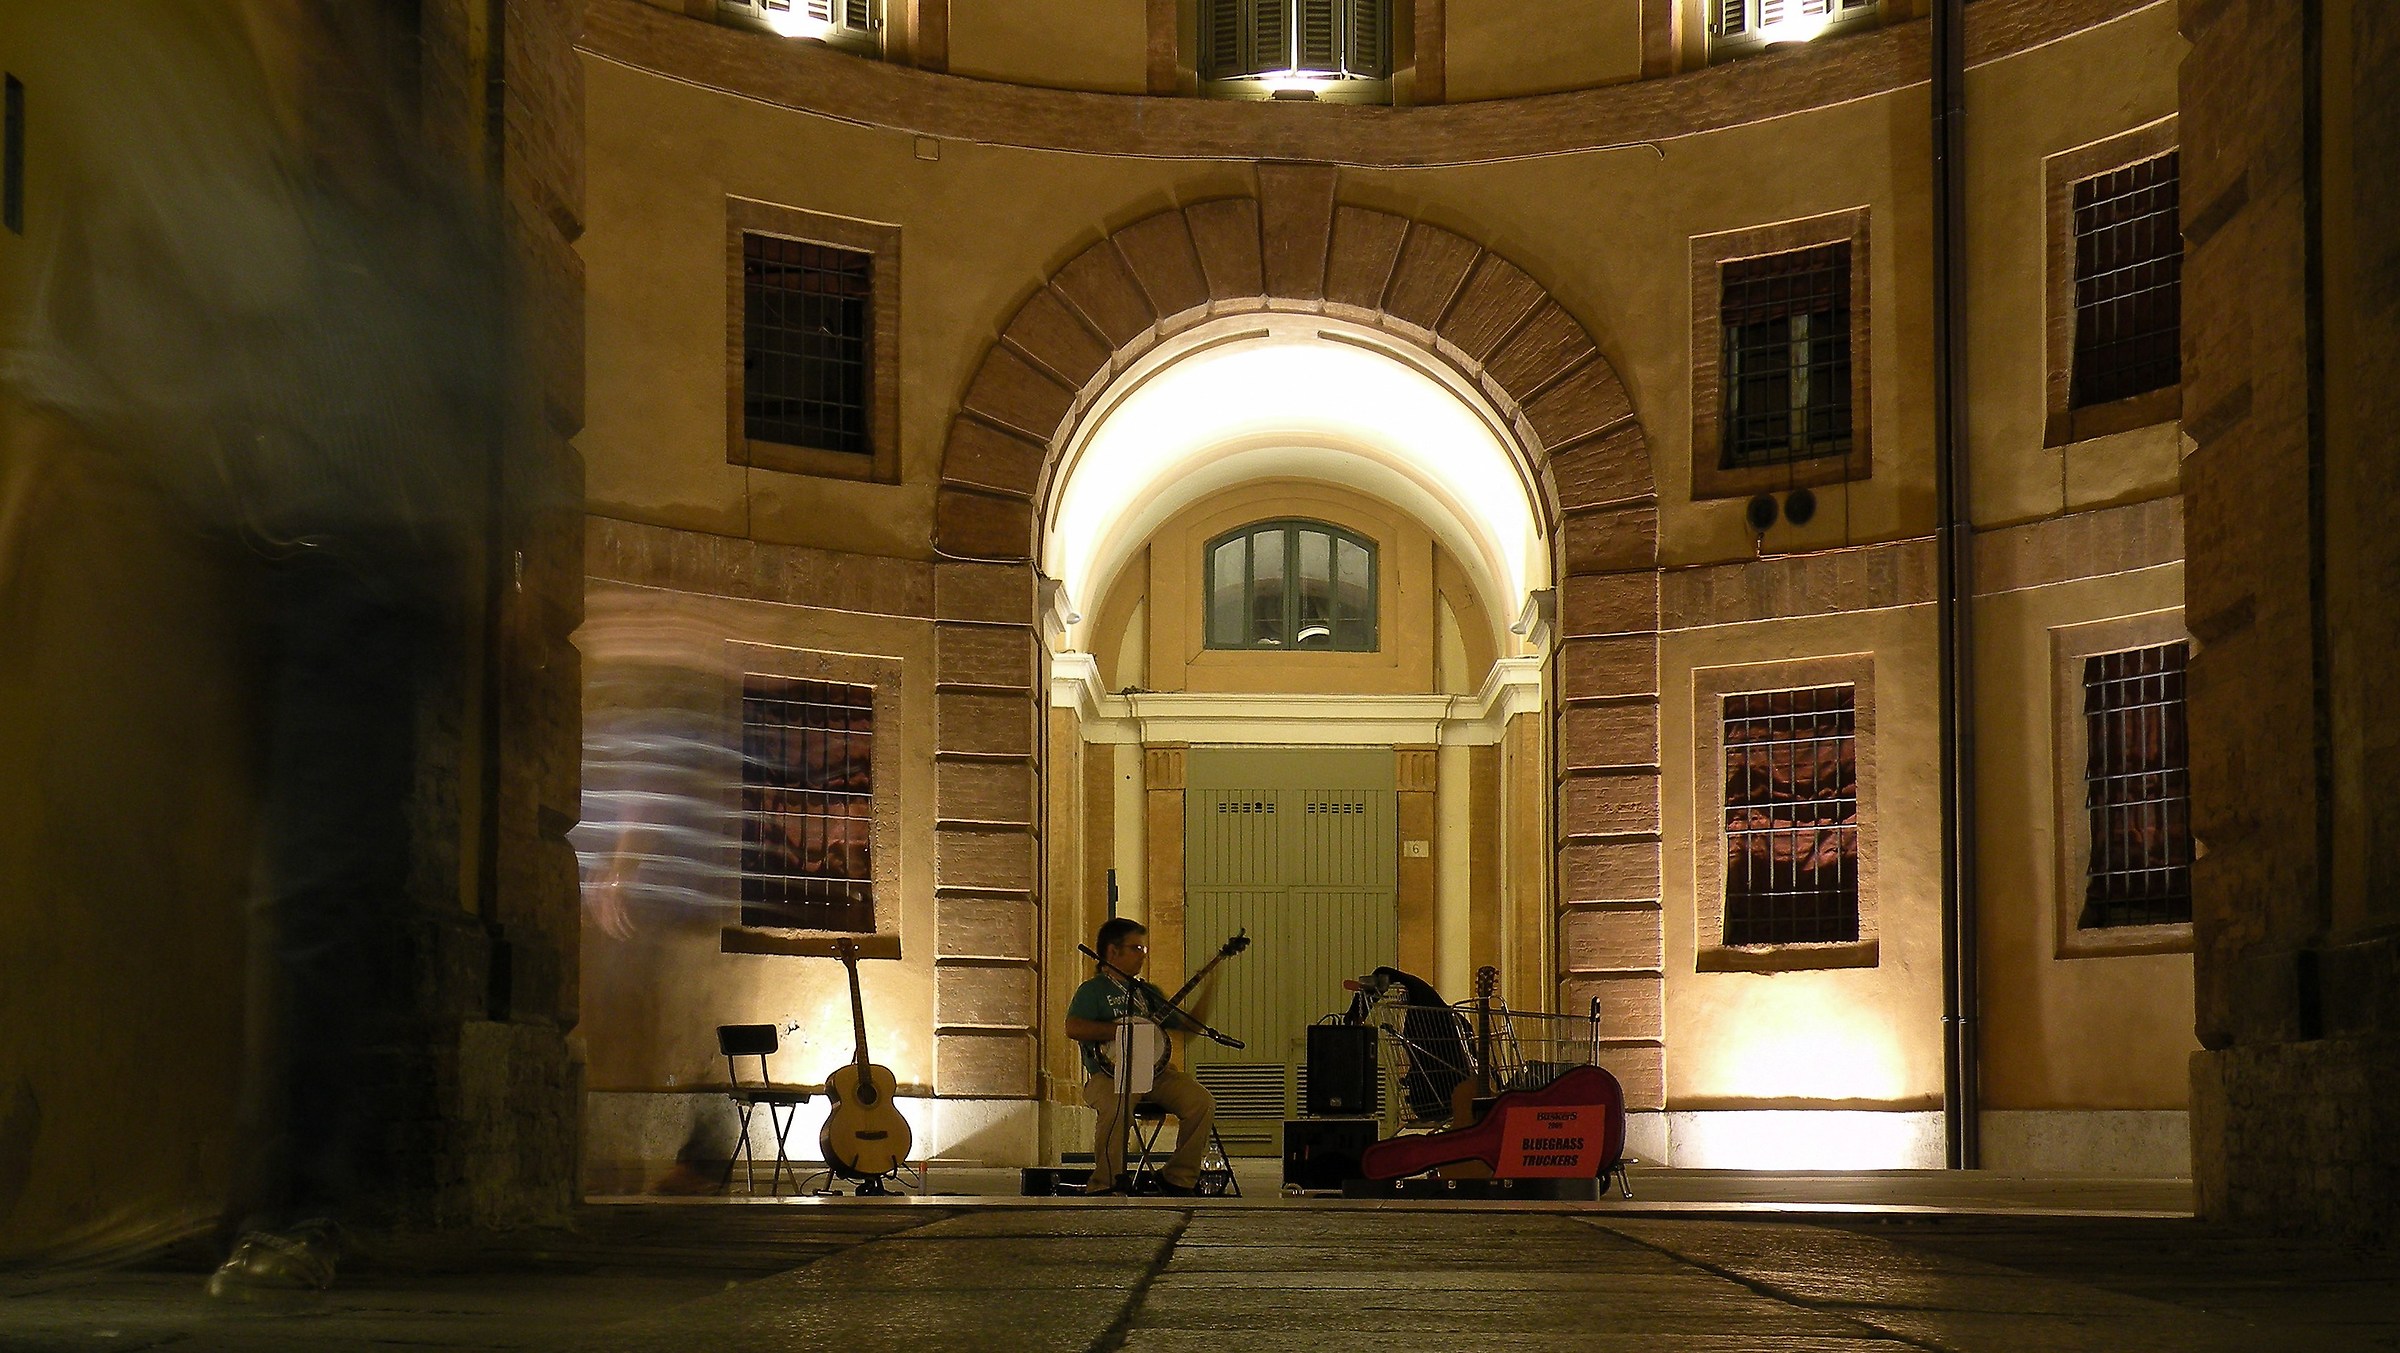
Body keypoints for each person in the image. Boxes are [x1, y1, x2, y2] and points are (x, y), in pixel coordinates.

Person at [1063, 919, 1218, 1197]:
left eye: (1143, 949)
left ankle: (1179, 1178)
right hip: (1107, 1076)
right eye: (1136, 948)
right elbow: (1073, 1027)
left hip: (1156, 1074)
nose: (1142, 955)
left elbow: (1190, 1027)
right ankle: (1106, 1182)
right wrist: (1123, 1031)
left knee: (1200, 1101)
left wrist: (1209, 983)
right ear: (1112, 952)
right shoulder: (1093, 990)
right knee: (1118, 1103)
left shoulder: (1148, 994)